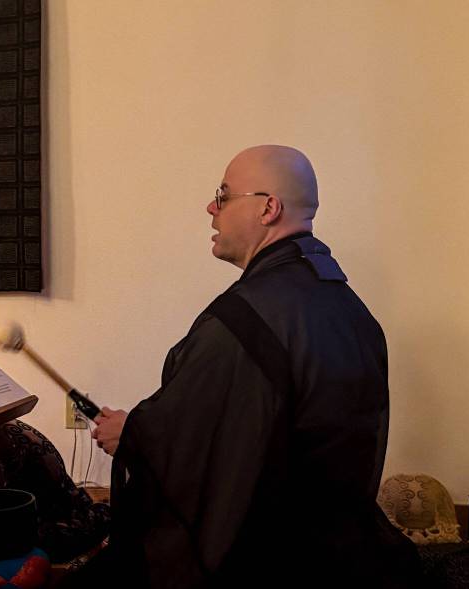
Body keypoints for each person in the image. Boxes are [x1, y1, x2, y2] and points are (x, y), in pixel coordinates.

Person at [69, 145, 423, 588]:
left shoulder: (245, 320)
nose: (210, 208)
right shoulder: (348, 307)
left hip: (273, 559)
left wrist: (135, 436)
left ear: (268, 208)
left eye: (223, 194)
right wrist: (142, 429)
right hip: (342, 555)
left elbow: (216, 453)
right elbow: (260, 429)